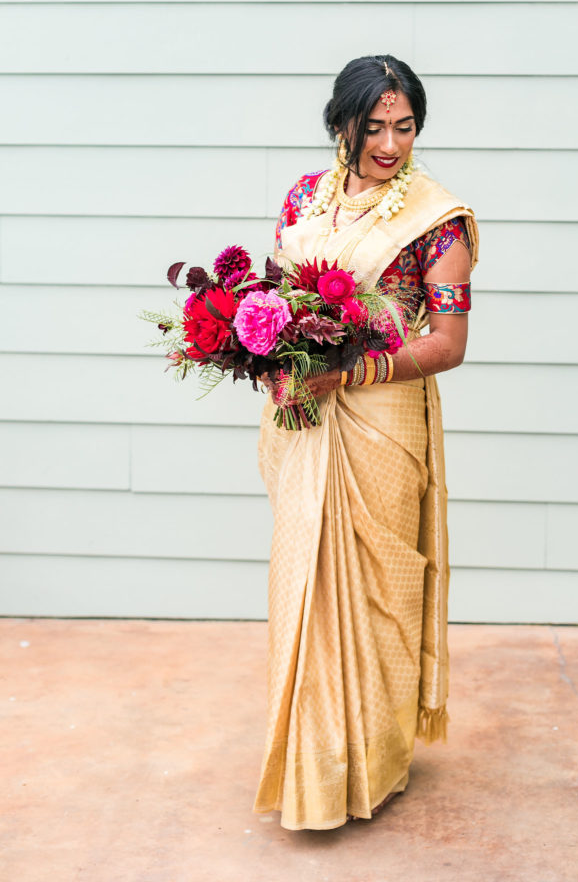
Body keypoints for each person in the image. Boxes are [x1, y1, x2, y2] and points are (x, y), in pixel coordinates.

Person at [252, 55, 479, 831]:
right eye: (372, 126)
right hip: (304, 421)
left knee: (380, 589)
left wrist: (348, 376)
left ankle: (373, 763)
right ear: (339, 124)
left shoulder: (436, 219)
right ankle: (315, 770)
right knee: (307, 586)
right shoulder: (304, 197)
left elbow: (448, 343)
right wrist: (265, 354)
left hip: (381, 417)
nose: (388, 144)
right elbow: (276, 296)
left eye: (404, 126)